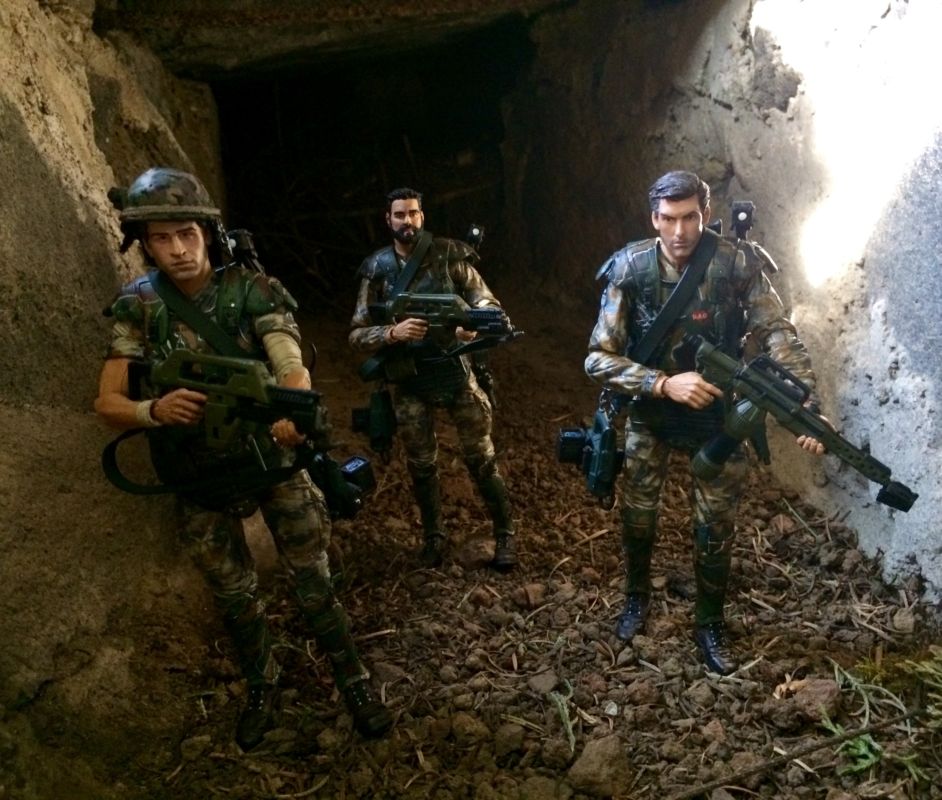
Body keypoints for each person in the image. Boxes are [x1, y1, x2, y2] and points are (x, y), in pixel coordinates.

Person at [94, 167, 392, 750]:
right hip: (198, 471)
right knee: (233, 595)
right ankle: (262, 682)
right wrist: (154, 410)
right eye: (161, 238)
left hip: (268, 459)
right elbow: (107, 402)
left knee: (313, 580)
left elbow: (290, 363)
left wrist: (289, 410)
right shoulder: (139, 305)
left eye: (187, 234)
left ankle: (352, 678)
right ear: (145, 244)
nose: (178, 250)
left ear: (207, 233)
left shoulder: (252, 289)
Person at [585, 170, 825, 674]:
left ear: (706, 215)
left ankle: (710, 620)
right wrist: (661, 383)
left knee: (715, 526)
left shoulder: (735, 264)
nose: (680, 232)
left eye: (690, 218)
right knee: (639, 515)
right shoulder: (630, 268)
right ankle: (636, 596)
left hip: (719, 417)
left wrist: (804, 403)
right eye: (669, 219)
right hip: (651, 413)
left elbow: (777, 333)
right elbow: (598, 358)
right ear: (654, 219)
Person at [349, 187, 517, 570]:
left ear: (422, 216)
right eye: (399, 215)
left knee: (482, 459)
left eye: (413, 213)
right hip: (410, 380)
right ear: (388, 220)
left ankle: (505, 533)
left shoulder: (449, 257)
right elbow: (356, 333)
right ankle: (433, 536)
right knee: (422, 465)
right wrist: (391, 333)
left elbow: (487, 302)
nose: (407, 221)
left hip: (456, 373)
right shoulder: (377, 269)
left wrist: (471, 325)